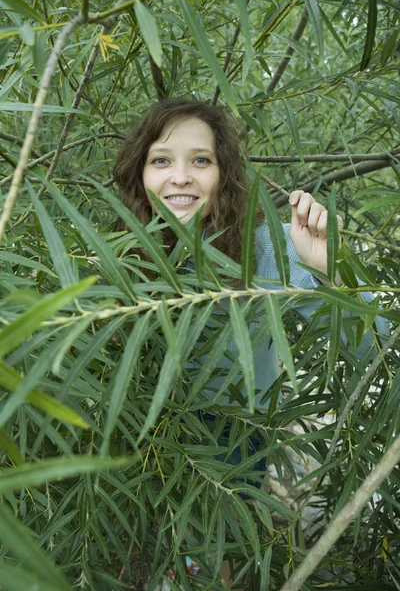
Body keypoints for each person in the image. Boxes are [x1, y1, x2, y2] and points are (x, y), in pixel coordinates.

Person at [114, 98, 388, 588]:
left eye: (201, 160)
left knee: (208, 549)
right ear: (139, 175)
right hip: (143, 426)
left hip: (234, 433)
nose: (181, 176)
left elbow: (377, 346)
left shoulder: (271, 250)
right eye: (162, 160)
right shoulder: (117, 255)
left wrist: (333, 272)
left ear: (224, 174)